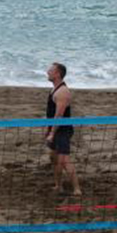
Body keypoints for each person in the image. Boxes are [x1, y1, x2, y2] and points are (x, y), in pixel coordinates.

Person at [44, 62, 81, 197]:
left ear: (58, 74)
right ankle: (58, 186)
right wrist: (48, 130)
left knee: (64, 160)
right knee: (53, 157)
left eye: (51, 70)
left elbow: (59, 116)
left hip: (62, 130)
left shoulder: (62, 92)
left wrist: (52, 133)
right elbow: (52, 113)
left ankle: (77, 189)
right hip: (54, 128)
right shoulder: (54, 89)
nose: (47, 72)